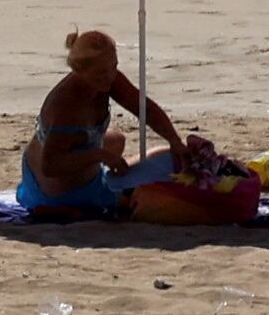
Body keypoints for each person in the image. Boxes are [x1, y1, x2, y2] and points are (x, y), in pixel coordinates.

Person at [16, 27, 178, 220]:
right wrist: (98, 155)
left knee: (118, 139)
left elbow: (145, 109)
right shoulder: (65, 105)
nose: (109, 76)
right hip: (56, 189)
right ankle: (102, 183)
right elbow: (50, 165)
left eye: (114, 67)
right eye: (101, 72)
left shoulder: (108, 79)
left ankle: (103, 172)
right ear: (79, 71)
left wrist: (174, 140)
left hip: (82, 157)